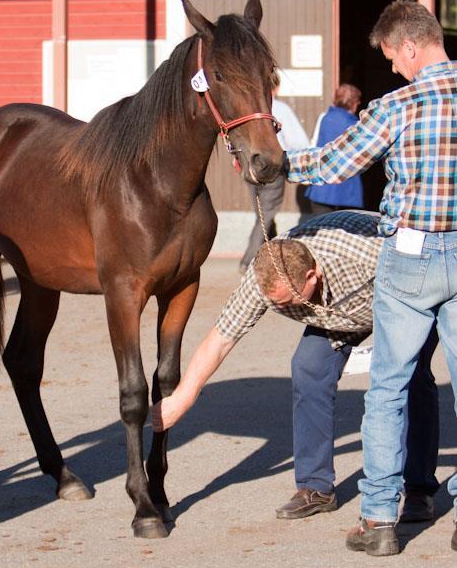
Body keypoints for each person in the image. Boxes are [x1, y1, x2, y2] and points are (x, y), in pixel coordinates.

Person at [283, 0, 457, 556]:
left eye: (391, 57)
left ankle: (379, 520)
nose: (392, 68)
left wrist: (281, 162)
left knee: (388, 389)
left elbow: (337, 162)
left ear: (410, 45)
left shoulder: (398, 104)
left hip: (409, 255)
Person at [152, 210, 440, 521]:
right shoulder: (263, 277)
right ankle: (315, 486)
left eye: (289, 302)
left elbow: (425, 273)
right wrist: (181, 399)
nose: (282, 309)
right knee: (308, 367)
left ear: (312, 275)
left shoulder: (365, 253)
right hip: (336, 315)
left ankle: (418, 488)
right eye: (276, 304)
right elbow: (220, 338)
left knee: (412, 377)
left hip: (403, 298)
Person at [239, 96, 309, 274]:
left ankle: (272, 254)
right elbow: (298, 141)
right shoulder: (280, 108)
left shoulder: (248, 107)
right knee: (266, 215)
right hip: (272, 168)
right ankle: (248, 260)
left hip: (251, 166)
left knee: (262, 215)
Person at [305, 84, 364, 214]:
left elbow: (313, 146)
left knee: (321, 229)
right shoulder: (356, 125)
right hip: (347, 188)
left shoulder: (324, 118)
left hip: (322, 185)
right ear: (354, 103)